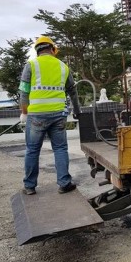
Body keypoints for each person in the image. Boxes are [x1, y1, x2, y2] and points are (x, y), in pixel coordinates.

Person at [19, 36, 81, 195]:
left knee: (32, 150)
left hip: (36, 116)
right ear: (52, 49)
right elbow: (72, 91)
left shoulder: (31, 65)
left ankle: (30, 186)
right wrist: (77, 110)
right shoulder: (63, 66)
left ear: (37, 50)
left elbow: (24, 91)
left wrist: (24, 112)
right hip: (58, 114)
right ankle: (64, 183)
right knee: (60, 148)